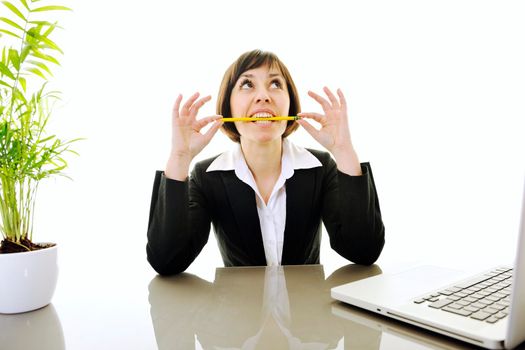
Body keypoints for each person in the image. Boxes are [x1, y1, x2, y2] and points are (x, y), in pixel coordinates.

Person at [147, 49, 385, 275]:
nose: (263, 96)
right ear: (228, 104)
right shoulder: (207, 175)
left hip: (307, 314)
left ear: (290, 102)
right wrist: (179, 158)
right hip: (242, 315)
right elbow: (167, 261)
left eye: (275, 84)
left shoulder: (320, 167)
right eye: (247, 84)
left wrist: (343, 151)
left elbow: (364, 252)